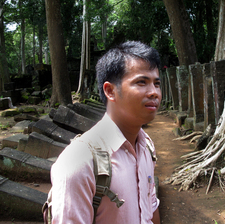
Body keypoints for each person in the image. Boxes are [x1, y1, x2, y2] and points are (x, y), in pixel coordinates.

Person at [50, 40, 161, 224]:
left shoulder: (146, 145)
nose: (154, 92)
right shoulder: (79, 162)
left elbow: (151, 206)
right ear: (110, 91)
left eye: (156, 84)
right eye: (141, 82)